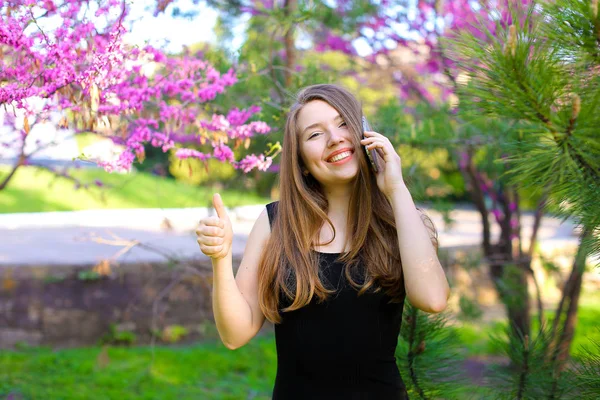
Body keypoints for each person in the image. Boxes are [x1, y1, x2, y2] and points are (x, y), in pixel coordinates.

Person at [196, 84, 450, 399]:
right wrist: (220, 259)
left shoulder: (404, 220)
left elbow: (433, 299)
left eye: (343, 123)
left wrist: (396, 189)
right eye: (315, 134)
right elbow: (235, 335)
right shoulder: (276, 223)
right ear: (301, 160)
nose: (335, 138)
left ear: (364, 134)